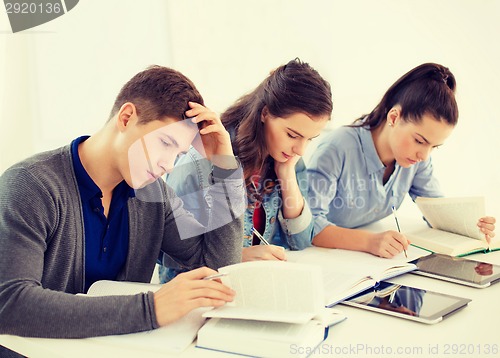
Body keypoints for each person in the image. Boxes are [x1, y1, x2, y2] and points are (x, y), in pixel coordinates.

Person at [0, 65, 246, 341]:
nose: (168, 165)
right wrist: (151, 309)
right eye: (165, 143)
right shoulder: (31, 185)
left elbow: (217, 267)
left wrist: (225, 166)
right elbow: (10, 305)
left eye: (178, 154)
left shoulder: (154, 194)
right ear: (127, 117)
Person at [159, 58, 333, 282]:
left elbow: (300, 239)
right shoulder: (199, 162)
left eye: (310, 139)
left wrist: (287, 173)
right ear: (265, 113)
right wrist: (236, 257)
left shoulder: (286, 158)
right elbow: (169, 257)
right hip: (199, 292)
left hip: (255, 285)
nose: (300, 149)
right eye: (292, 135)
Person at [307, 63, 496, 258]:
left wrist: (471, 224)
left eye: (434, 146)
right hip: (321, 258)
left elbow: (436, 211)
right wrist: (370, 242)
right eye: (419, 141)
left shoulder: (416, 159)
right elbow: (308, 226)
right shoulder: (336, 148)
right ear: (394, 117)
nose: (424, 155)